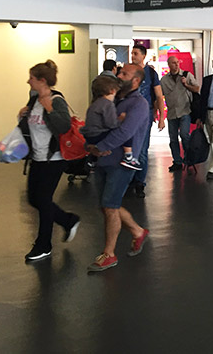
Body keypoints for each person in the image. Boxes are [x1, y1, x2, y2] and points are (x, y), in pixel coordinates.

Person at [85, 64, 150, 272]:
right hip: (103, 160)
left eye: (124, 74)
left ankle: (109, 253)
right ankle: (138, 231)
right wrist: (89, 145)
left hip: (121, 163)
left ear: (136, 81)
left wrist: (99, 147)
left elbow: (124, 132)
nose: (119, 76)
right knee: (106, 205)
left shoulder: (138, 104)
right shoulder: (112, 100)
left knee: (110, 206)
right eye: (119, 72)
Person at [17, 60, 80, 262]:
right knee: (33, 199)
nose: (29, 82)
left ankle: (43, 245)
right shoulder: (34, 98)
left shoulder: (56, 100)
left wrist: (50, 110)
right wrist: (22, 115)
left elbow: (62, 126)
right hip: (37, 158)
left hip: (54, 159)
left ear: (42, 80)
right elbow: (31, 125)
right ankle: (67, 220)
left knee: (43, 201)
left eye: (32, 79)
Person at [80, 75, 139, 172]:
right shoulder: (108, 104)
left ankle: (92, 160)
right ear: (112, 90)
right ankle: (128, 157)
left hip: (89, 136)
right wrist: (121, 119)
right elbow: (111, 124)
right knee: (127, 133)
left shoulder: (94, 104)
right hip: (98, 135)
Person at [129, 44, 165, 197]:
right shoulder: (127, 71)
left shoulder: (150, 73)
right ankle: (129, 179)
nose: (133, 56)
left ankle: (139, 182)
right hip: (129, 115)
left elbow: (158, 95)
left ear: (143, 56)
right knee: (129, 148)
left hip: (145, 115)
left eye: (136, 53)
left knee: (142, 150)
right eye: (132, 53)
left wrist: (162, 116)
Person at [160, 55, 200, 171]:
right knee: (173, 139)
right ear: (169, 65)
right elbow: (159, 95)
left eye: (177, 62)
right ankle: (177, 161)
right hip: (172, 113)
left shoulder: (187, 75)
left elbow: (197, 89)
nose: (176, 65)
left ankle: (189, 158)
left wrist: (186, 85)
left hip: (185, 110)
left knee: (184, 135)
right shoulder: (164, 80)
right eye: (173, 63)